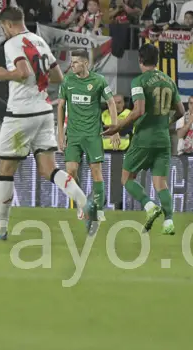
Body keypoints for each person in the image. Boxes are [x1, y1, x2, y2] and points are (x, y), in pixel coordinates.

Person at [0, 6, 90, 241]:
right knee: (48, 168)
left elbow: (22, 71)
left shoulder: (12, 43)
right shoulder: (39, 40)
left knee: (6, 169)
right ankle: (83, 202)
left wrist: (4, 75)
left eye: (3, 27)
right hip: (44, 110)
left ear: (7, 24)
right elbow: (58, 77)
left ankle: (0, 228)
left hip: (21, 114)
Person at [103, 43, 184, 235]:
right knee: (161, 183)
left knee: (127, 178)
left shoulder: (139, 81)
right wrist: (165, 123)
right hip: (163, 138)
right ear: (156, 61)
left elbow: (138, 110)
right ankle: (169, 222)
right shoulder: (169, 81)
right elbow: (181, 111)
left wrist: (119, 126)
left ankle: (149, 206)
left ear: (140, 60)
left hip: (144, 138)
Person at [56, 48, 118, 223]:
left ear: (85, 63)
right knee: (71, 171)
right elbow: (60, 106)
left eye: (75, 62)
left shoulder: (98, 81)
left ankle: (98, 210)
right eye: (71, 61)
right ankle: (82, 204)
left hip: (92, 134)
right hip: (74, 135)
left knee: (96, 172)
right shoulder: (67, 81)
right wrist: (61, 134)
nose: (72, 65)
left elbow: (111, 103)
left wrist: (115, 128)